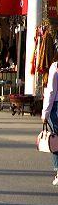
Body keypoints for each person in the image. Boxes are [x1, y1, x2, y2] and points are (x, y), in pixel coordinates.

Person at [41, 53, 58, 186]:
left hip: (56, 107)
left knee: (56, 140)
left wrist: (45, 113)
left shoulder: (55, 67)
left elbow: (51, 91)